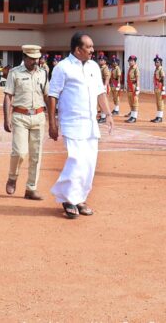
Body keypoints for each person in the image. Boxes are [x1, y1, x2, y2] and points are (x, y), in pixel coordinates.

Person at [48, 32, 114, 219]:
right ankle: (68, 198)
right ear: (78, 49)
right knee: (76, 160)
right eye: (89, 47)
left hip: (91, 123)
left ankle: (79, 198)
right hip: (72, 122)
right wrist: (52, 124)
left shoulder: (93, 66)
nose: (93, 50)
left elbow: (100, 92)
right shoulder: (63, 67)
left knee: (89, 164)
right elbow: (52, 95)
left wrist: (108, 114)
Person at [3, 44, 49, 200]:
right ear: (24, 57)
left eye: (37, 58)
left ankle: (31, 188)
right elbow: (8, 96)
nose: (35, 62)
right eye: (31, 59)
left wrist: (53, 120)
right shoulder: (14, 73)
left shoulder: (43, 73)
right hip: (20, 117)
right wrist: (6, 119)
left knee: (36, 155)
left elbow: (47, 95)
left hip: (38, 116)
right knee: (20, 152)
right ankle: (12, 177)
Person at [150, 55, 165, 123]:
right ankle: (158, 116)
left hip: (160, 87)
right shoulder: (156, 69)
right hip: (156, 87)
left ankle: (160, 117)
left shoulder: (161, 70)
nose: (156, 63)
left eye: (157, 62)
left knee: (160, 102)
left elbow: (163, 78)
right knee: (157, 102)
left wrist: (163, 88)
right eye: (155, 62)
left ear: (160, 63)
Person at [125, 55, 140, 123]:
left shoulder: (136, 69)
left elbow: (137, 79)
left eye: (131, 61)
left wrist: (137, 88)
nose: (130, 62)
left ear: (134, 61)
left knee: (134, 102)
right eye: (129, 61)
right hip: (129, 87)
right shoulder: (130, 68)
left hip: (133, 87)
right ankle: (132, 115)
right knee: (130, 102)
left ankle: (134, 117)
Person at [97, 53, 110, 123]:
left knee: (103, 102)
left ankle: (103, 117)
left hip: (103, 87)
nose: (100, 61)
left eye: (102, 60)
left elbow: (107, 77)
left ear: (105, 61)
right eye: (99, 60)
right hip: (100, 86)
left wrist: (105, 86)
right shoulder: (100, 67)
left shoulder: (105, 68)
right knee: (100, 102)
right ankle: (102, 115)